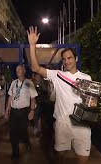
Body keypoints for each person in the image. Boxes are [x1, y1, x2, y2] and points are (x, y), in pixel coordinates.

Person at [27, 26, 92, 164]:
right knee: (60, 158)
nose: (67, 61)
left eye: (69, 58)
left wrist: (93, 105)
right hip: (63, 123)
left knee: (83, 159)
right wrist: (32, 45)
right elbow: (35, 68)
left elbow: (90, 101)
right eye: (64, 59)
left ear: (76, 58)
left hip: (82, 124)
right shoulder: (58, 75)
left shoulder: (87, 78)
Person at [5, 65, 37, 160]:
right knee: (13, 132)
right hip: (14, 111)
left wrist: (32, 111)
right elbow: (10, 97)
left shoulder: (28, 83)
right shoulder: (14, 83)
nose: (17, 71)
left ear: (24, 71)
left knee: (23, 131)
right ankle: (15, 153)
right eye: (16, 70)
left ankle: (27, 142)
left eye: (19, 69)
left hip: (24, 111)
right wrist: (7, 110)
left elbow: (33, 98)